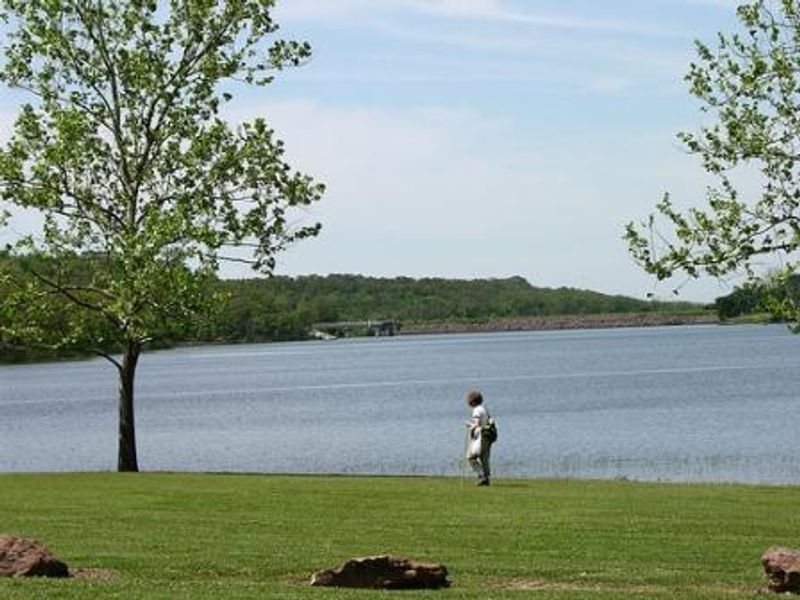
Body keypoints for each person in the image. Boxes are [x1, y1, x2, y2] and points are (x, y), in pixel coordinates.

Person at [465, 389, 493, 486]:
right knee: (484, 458)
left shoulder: (476, 410)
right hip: (487, 435)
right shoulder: (484, 409)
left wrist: (469, 425)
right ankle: (487, 478)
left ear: (472, 401)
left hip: (480, 437)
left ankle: (481, 476)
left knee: (470, 457)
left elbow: (476, 424)